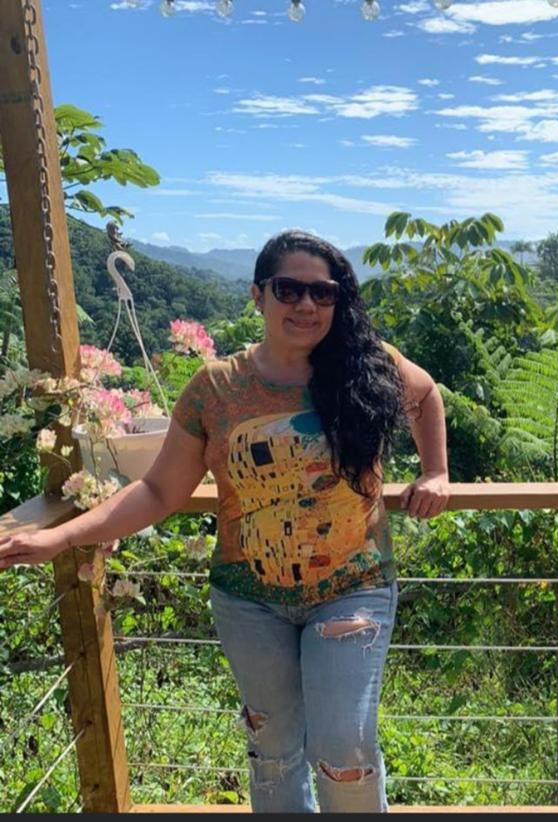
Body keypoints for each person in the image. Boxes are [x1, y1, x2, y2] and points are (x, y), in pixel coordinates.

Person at [0, 230, 450, 813]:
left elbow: (428, 395)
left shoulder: (366, 364)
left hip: (352, 589)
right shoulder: (215, 389)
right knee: (273, 747)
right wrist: (60, 536)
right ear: (258, 295)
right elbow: (160, 490)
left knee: (345, 743)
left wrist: (435, 471)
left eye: (323, 293)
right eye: (289, 290)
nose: (307, 305)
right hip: (249, 600)